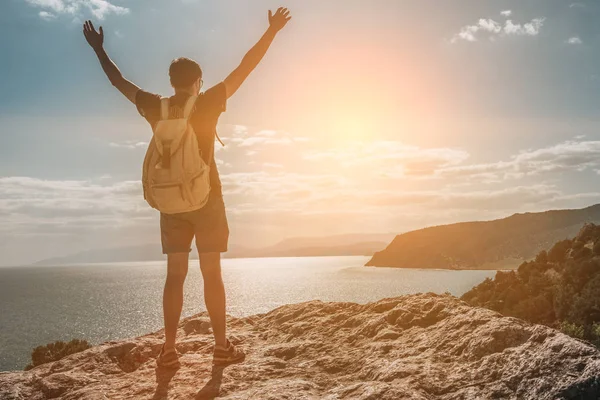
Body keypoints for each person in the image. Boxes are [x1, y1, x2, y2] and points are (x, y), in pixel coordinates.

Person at [83, 7, 292, 368]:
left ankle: (168, 350)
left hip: (171, 204)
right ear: (198, 81)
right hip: (207, 199)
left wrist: (98, 49)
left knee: (174, 277)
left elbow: (118, 81)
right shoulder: (209, 102)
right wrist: (272, 31)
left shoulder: (155, 107)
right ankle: (221, 347)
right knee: (212, 274)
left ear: (171, 82)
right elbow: (246, 66)